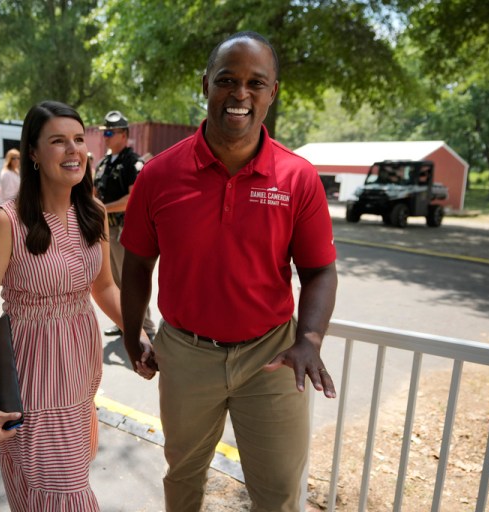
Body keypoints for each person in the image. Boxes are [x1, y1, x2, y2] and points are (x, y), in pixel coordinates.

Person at [119, 32, 338, 511]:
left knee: (279, 490)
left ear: (272, 92)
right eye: (226, 80)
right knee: (183, 477)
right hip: (185, 353)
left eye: (255, 83)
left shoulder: (298, 177)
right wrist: (131, 334)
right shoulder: (158, 175)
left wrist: (310, 341)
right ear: (206, 85)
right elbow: (136, 264)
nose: (240, 94)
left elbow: (320, 271)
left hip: (273, 355)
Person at [0, 101, 149, 511]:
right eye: (58, 141)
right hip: (32, 380)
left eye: (78, 139)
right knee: (64, 496)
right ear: (33, 153)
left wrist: (139, 336)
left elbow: (104, 288)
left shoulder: (93, 212)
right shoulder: (6, 222)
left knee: (48, 493)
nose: (73, 150)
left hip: (81, 376)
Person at [94, 110, 156, 339]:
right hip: (105, 229)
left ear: (124, 135)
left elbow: (132, 199)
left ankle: (146, 326)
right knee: (113, 280)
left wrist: (101, 208)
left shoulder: (132, 162)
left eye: (110, 132)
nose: (105, 137)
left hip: (123, 229)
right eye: (104, 132)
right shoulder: (103, 163)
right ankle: (122, 322)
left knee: (131, 280)